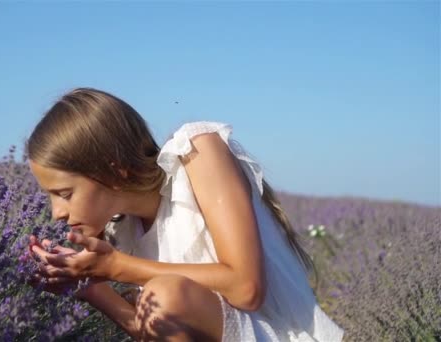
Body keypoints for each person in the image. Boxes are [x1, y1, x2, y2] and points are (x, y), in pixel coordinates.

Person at [27, 87, 345, 341]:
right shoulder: (125, 233)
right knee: (162, 298)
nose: (57, 213)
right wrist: (88, 287)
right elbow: (150, 331)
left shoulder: (198, 153)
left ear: (113, 171)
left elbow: (247, 288)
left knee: (164, 295)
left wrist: (116, 267)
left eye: (65, 194)